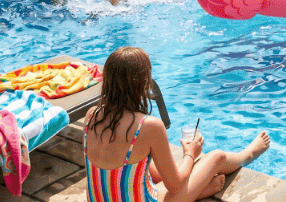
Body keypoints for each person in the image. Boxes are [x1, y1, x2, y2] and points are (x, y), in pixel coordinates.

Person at [84, 47, 271, 202]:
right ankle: (249, 153)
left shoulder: (91, 115)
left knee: (142, 166)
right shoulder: (148, 126)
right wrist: (191, 153)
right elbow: (175, 186)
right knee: (215, 157)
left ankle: (199, 187)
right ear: (143, 83)